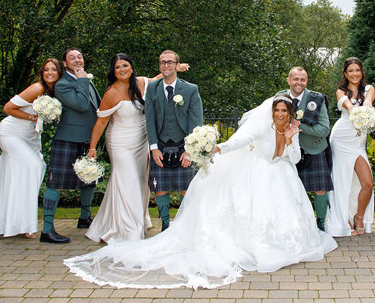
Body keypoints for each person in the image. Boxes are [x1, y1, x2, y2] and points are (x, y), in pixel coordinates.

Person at [64, 95, 337, 289]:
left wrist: (289, 140)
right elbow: (242, 139)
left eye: (284, 111)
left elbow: (292, 158)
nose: (279, 114)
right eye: (276, 110)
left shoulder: (293, 129)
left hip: (281, 174)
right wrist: (219, 147)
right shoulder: (262, 127)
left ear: (290, 114)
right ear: (271, 112)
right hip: (260, 170)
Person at [0, 58, 62, 238]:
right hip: (11, 133)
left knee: (13, 171)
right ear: (42, 72)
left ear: (59, 72)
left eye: (54, 70)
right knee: (33, 166)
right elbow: (8, 108)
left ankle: (3, 222)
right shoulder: (37, 88)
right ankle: (25, 225)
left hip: (30, 136)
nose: (50, 73)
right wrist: (35, 118)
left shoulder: (54, 91)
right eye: (46, 70)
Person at [83, 54, 152, 243]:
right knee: (126, 181)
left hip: (141, 142)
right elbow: (101, 122)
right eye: (117, 67)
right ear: (113, 71)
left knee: (139, 182)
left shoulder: (141, 83)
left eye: (125, 65)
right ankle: (129, 230)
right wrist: (92, 147)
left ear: (131, 67)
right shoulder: (111, 92)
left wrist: (176, 68)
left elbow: (160, 78)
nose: (122, 69)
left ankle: (134, 220)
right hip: (120, 143)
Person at [42, 48, 101, 244]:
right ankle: (47, 229)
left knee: (89, 178)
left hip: (87, 139)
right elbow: (82, 105)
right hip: (67, 139)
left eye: (79, 57)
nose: (77, 60)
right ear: (65, 63)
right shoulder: (63, 84)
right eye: (72, 58)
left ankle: (84, 218)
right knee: (55, 182)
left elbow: (96, 107)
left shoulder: (85, 79)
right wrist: (83, 80)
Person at [145, 50, 203, 231]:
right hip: (160, 145)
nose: (166, 65)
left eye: (170, 62)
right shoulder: (152, 89)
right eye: (162, 62)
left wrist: (190, 150)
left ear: (177, 66)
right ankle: (165, 227)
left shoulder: (190, 89)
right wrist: (153, 148)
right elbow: (150, 120)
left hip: (183, 146)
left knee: (187, 188)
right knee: (160, 188)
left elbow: (196, 122)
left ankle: (185, 228)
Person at [277, 67, 333, 231]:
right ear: (289, 80)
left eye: (302, 80)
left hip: (314, 150)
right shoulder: (280, 97)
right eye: (295, 79)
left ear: (306, 81)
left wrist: (298, 125)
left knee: (320, 189)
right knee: (288, 190)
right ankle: (294, 224)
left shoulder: (317, 99)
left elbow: (324, 130)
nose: (299, 83)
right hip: (287, 150)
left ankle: (321, 224)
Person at [325, 57, 375, 236]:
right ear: (346, 74)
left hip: (358, 142)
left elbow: (368, 103)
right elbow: (347, 105)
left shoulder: (369, 89)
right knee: (341, 182)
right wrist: (355, 112)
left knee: (367, 183)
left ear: (362, 72)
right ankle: (344, 219)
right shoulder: (341, 91)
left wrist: (365, 115)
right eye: (351, 71)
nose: (355, 74)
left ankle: (359, 217)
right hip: (341, 139)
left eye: (357, 70)